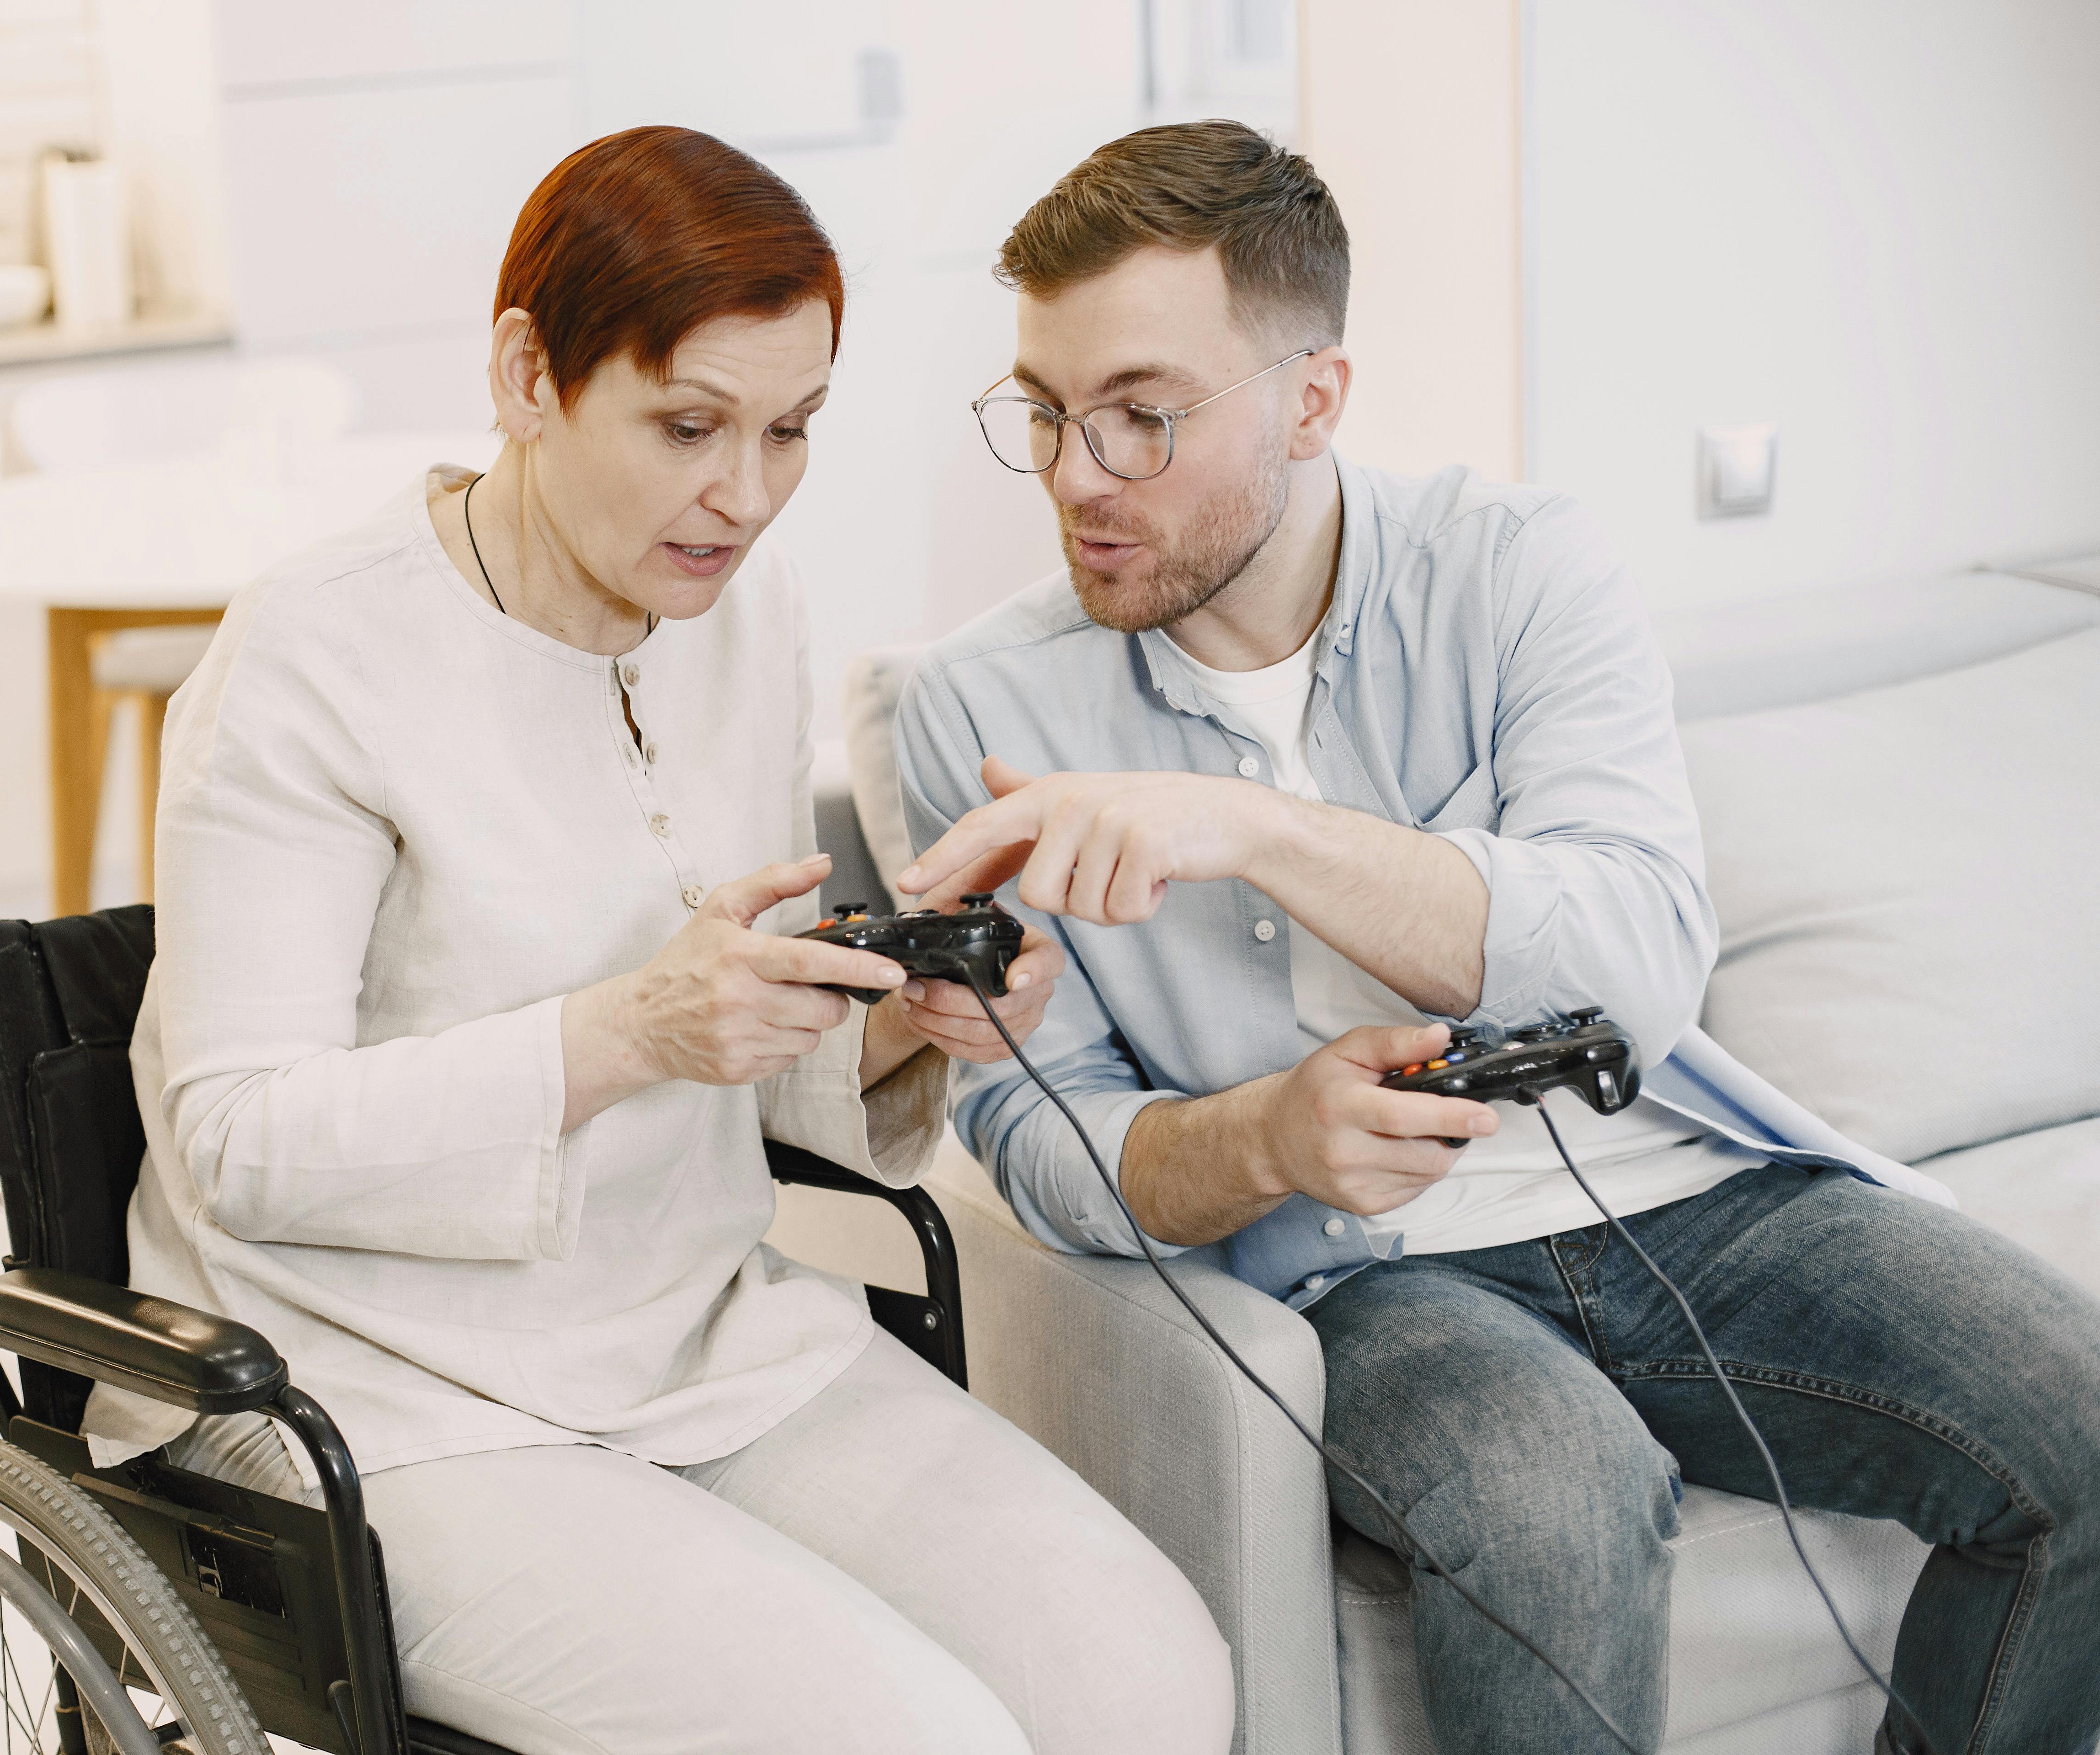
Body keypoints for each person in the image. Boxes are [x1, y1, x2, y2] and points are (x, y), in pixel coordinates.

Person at [895, 119, 2100, 1755]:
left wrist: (1249, 829)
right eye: (1042, 414)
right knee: (1553, 1499)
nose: (1074, 476)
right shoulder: (973, 708)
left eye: (1141, 419)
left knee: (2081, 1426)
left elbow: (1640, 962)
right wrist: (1266, 1136)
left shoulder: (1518, 569)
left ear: (1313, 400)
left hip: (1679, 1188)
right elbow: (1034, 1137)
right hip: (1355, 1277)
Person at [81, 126, 1234, 1755]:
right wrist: (629, 1030)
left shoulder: (738, 618)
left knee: (1146, 1686)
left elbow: (740, 1058)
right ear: (525, 374)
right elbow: (237, 1142)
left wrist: (906, 1016)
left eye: (791, 432)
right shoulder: (313, 662)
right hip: (376, 1395)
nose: (745, 497)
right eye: (689, 425)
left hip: (692, 1331)